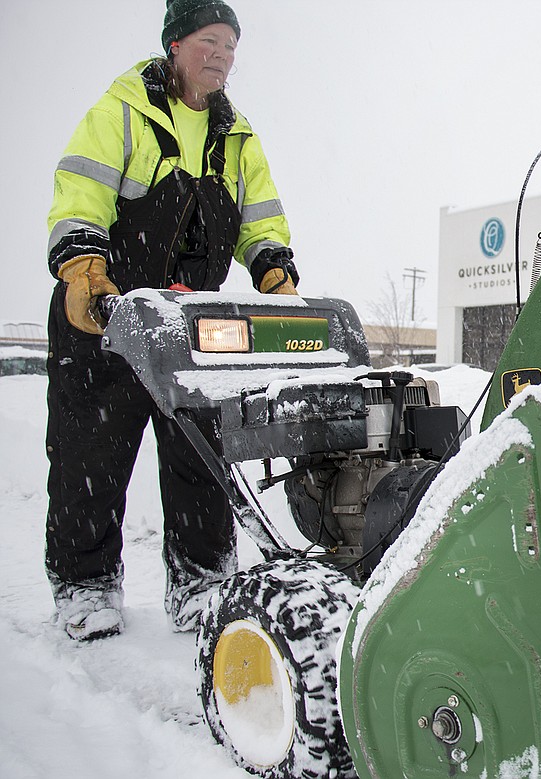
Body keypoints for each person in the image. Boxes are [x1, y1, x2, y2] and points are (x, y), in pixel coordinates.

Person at [45, 0, 300, 640]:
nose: (223, 56)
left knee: (201, 454)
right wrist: (83, 270)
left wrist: (274, 271)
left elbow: (260, 218)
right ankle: (85, 586)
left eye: (232, 46)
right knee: (92, 455)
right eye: (210, 41)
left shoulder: (236, 136)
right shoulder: (122, 113)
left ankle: (202, 583)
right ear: (176, 44)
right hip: (106, 315)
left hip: (190, 325)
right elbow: (80, 193)